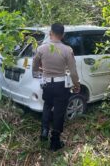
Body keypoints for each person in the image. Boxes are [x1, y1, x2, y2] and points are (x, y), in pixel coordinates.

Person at [32, 23, 80, 151]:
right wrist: (77, 85)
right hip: (61, 85)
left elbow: (35, 66)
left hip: (47, 84)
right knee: (59, 112)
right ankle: (55, 142)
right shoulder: (67, 50)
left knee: (47, 105)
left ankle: (44, 130)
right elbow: (73, 72)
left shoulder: (41, 49)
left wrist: (38, 73)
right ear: (63, 35)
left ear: (50, 33)